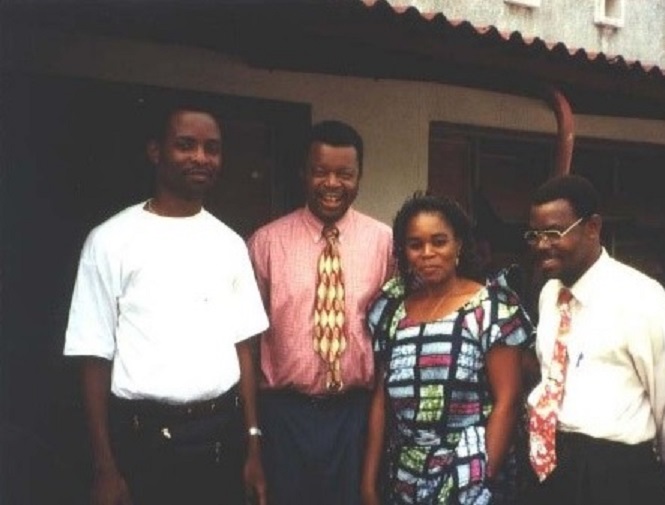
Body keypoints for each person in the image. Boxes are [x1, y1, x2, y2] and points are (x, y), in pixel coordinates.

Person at [64, 104, 269, 505]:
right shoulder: (110, 240)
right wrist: (105, 466)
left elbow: (245, 349)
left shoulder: (228, 243)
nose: (201, 158)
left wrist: (253, 447)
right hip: (143, 443)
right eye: (186, 145)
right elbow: (93, 356)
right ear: (155, 151)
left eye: (212, 148)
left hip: (219, 439)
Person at [523, 174, 665, 505]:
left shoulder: (641, 298)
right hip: (553, 465)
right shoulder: (550, 295)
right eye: (535, 235)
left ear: (592, 227)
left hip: (616, 475)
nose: (542, 245)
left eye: (553, 233)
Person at [247, 120, 394, 505]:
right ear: (303, 173)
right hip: (285, 414)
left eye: (344, 173)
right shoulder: (265, 243)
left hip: (356, 414)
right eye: (320, 172)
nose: (332, 183)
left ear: (359, 176)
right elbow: (246, 339)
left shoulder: (385, 243)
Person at [361, 194, 534, 504]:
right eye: (415, 245)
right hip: (405, 480)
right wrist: (369, 483)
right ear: (405, 252)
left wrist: (475, 484)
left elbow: (507, 402)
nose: (427, 253)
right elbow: (380, 401)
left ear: (459, 245)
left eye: (439, 241)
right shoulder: (391, 310)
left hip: (472, 476)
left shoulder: (491, 307)